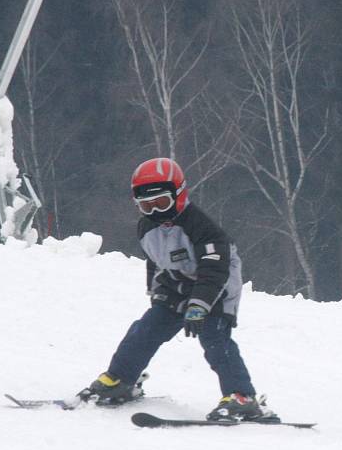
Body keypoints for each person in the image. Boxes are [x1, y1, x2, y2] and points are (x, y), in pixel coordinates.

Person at [82, 157, 275, 422]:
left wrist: (199, 305)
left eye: (162, 202)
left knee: (214, 337)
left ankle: (242, 396)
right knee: (145, 330)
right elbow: (156, 260)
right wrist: (156, 291)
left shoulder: (201, 227)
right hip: (177, 284)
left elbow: (214, 270)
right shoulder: (146, 226)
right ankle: (120, 380)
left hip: (217, 287)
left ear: (179, 195)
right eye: (146, 205)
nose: (156, 212)